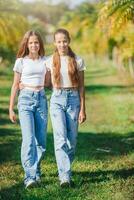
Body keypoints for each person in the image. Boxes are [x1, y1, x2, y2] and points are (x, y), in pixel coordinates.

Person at [45, 28, 86, 187]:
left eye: (64, 41)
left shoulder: (78, 60)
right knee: (60, 138)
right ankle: (65, 176)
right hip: (57, 99)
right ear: (55, 43)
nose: (62, 44)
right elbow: (40, 79)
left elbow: (82, 86)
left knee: (72, 140)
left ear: (69, 41)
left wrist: (83, 108)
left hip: (74, 99)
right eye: (59, 41)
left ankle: (65, 168)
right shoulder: (48, 61)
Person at [9, 30, 48, 189]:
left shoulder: (46, 61)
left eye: (36, 42)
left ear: (40, 44)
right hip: (25, 100)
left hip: (41, 99)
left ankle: (36, 171)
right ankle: (29, 177)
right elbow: (14, 85)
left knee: (41, 142)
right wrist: (11, 108)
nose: (34, 45)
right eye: (31, 42)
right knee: (28, 139)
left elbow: (49, 83)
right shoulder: (21, 62)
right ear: (26, 44)